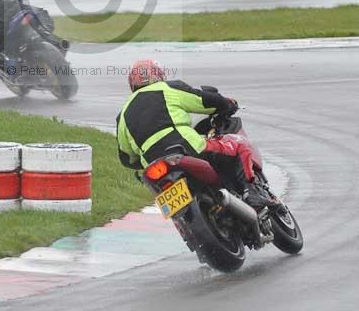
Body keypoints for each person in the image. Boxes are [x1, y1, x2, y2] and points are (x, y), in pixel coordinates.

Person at [116, 58, 273, 210]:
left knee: (170, 205)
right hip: (186, 148)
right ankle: (251, 193)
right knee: (238, 144)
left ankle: (186, 225)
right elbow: (203, 101)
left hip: (154, 167)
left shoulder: (122, 115)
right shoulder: (167, 88)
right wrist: (227, 104)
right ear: (158, 75)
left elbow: (127, 157)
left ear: (132, 83)